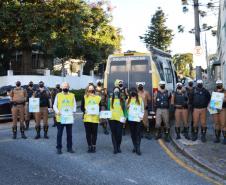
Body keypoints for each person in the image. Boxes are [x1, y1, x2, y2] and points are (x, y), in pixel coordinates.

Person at [53, 82, 77, 154]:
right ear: (61, 87)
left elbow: (74, 105)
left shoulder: (72, 95)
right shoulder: (58, 95)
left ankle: (69, 148)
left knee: (69, 134)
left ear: (68, 87)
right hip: (61, 117)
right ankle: (59, 148)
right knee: (59, 134)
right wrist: (57, 112)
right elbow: (54, 105)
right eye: (64, 87)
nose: (65, 88)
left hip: (69, 117)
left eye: (66, 86)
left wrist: (73, 111)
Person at [81, 84, 101, 153]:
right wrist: (85, 110)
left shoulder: (98, 97)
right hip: (87, 118)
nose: (91, 90)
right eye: (89, 89)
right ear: (87, 90)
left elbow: (100, 107)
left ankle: (94, 146)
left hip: (95, 118)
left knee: (94, 133)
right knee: (88, 133)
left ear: (94, 90)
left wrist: (98, 111)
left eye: (92, 89)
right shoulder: (84, 97)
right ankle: (89, 146)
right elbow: (82, 107)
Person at [127, 87, 144, 155]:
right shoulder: (128, 99)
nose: (132, 93)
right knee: (133, 133)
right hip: (131, 119)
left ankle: (138, 148)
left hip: (138, 119)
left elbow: (142, 109)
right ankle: (134, 146)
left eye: (134, 91)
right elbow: (126, 109)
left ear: (136, 92)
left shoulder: (140, 99)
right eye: (131, 92)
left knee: (138, 133)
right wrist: (127, 106)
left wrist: (141, 117)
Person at [108, 87, 126, 154]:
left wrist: (125, 117)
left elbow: (124, 110)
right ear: (113, 92)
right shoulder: (110, 100)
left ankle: (118, 146)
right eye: (115, 91)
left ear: (119, 92)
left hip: (120, 119)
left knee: (119, 134)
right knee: (113, 133)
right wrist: (107, 117)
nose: (116, 92)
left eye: (117, 91)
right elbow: (108, 109)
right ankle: (115, 148)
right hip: (112, 119)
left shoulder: (122, 100)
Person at [211, 80, 226, 144]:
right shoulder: (214, 91)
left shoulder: (225, 91)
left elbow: (225, 100)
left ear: (222, 84)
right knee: (216, 123)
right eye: (218, 84)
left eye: (220, 84)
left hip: (223, 109)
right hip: (215, 109)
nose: (219, 85)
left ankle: (225, 138)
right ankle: (217, 138)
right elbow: (212, 101)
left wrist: (223, 99)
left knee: (223, 124)